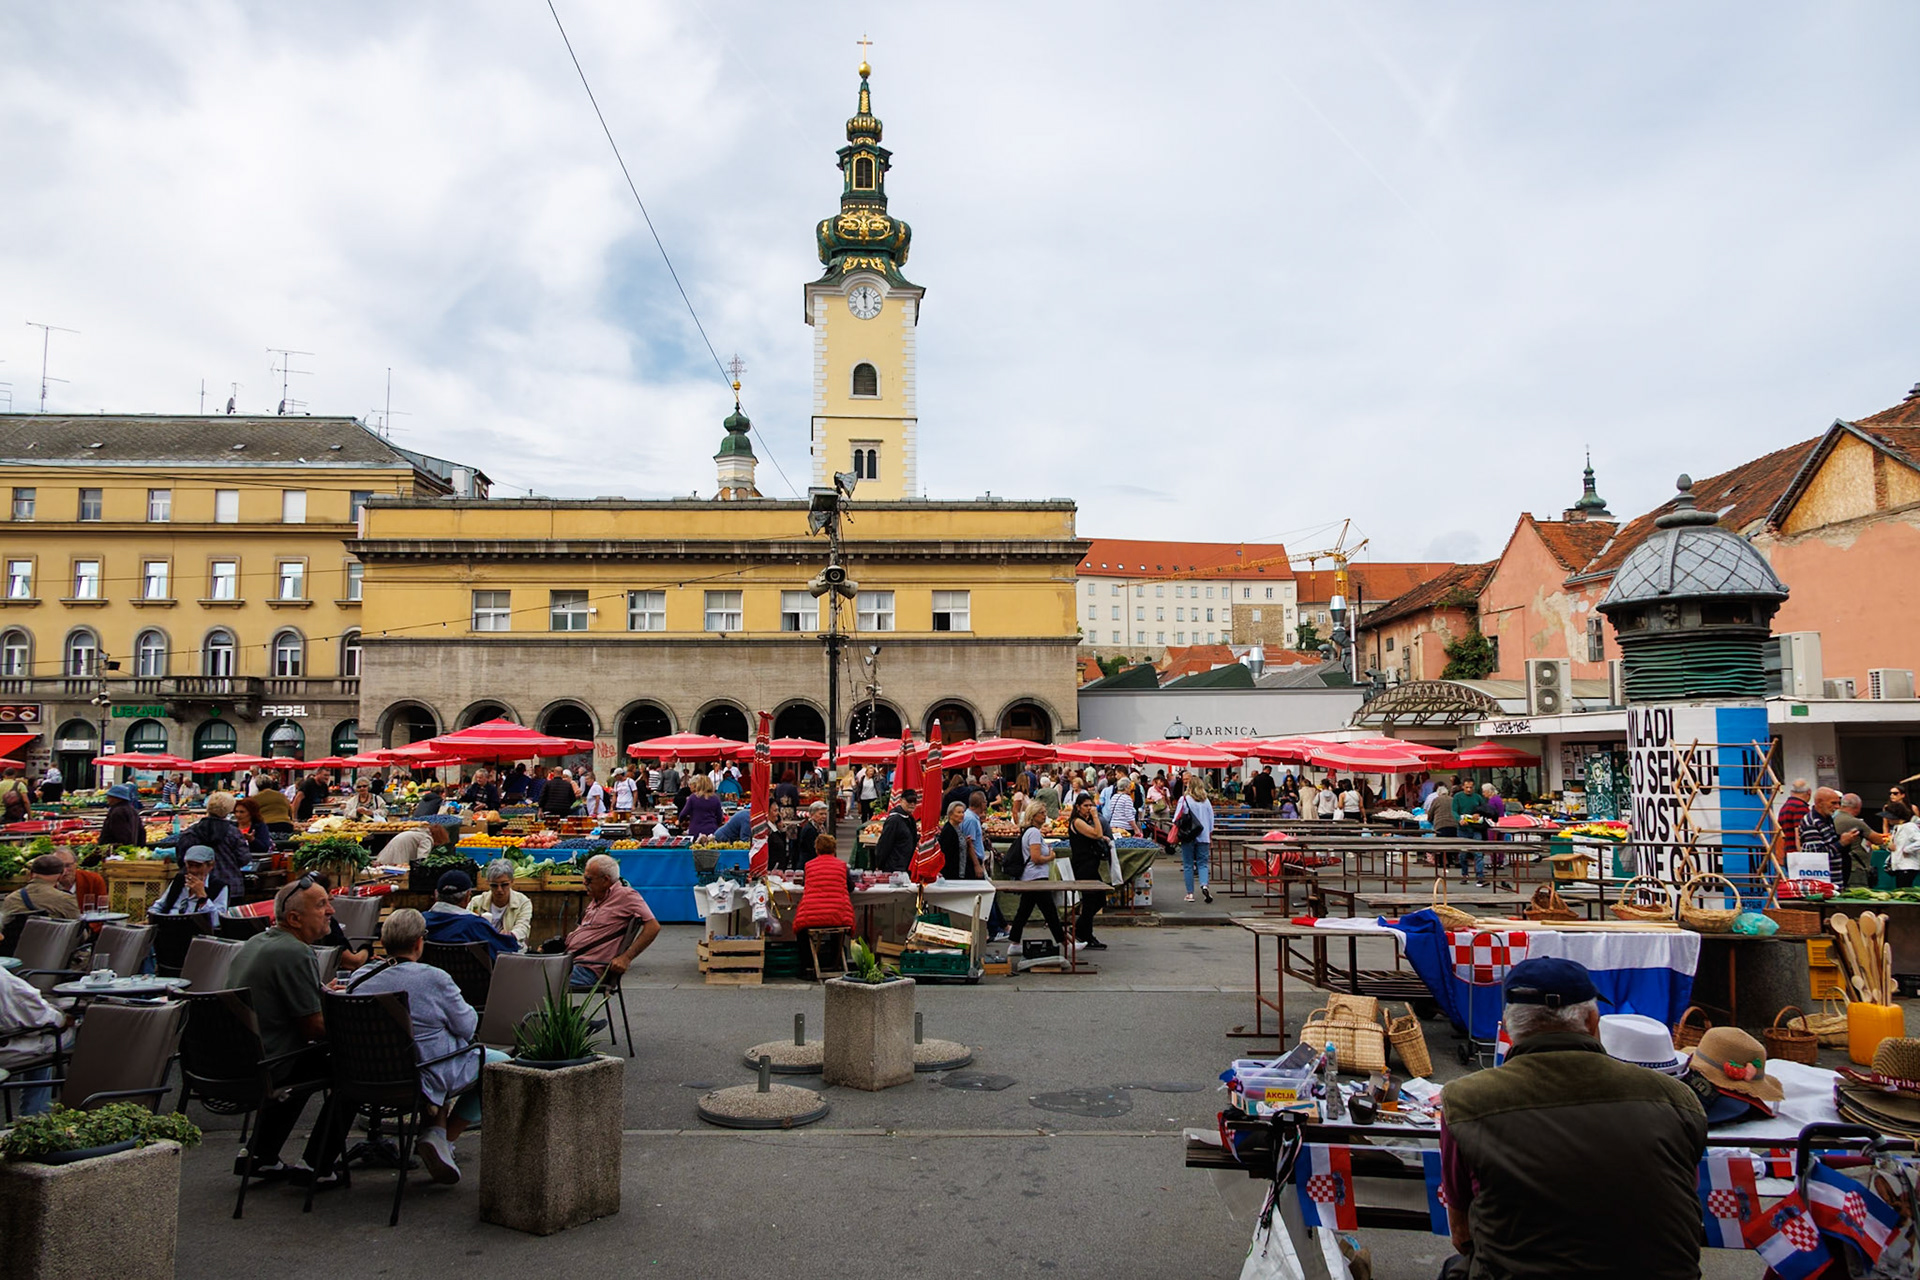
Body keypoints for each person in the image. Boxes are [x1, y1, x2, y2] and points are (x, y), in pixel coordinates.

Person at [1437, 957, 1705, 1279]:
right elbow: (1681, 1207)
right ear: (1593, 1022)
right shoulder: (1677, 1099)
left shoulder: (1464, 1101)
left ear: (1508, 1028)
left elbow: (1462, 1235)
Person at [345, 908, 505, 1185]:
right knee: (499, 1065)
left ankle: (438, 1134)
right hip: (426, 1073)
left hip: (368, 1076)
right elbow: (468, 1026)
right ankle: (444, 1138)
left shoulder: (360, 979)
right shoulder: (434, 978)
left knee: (439, 1046)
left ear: (384, 941)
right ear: (420, 942)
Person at [227, 877, 354, 1183]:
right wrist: (357, 1028)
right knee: (355, 1070)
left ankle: (260, 1154)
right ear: (295, 918)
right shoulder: (296, 953)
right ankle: (317, 1165)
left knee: (311, 1063)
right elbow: (313, 1026)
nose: (331, 911)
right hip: (271, 1063)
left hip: (239, 1060)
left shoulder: (258, 942)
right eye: (321, 904)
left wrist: (321, 992)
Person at [559, 853, 660, 991]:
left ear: (606, 880)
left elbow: (653, 926)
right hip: (572, 961)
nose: (584, 883)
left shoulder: (625, 896)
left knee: (534, 980)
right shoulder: (598, 898)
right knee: (527, 969)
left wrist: (626, 957)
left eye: (588, 880)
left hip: (588, 969)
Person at [0, 961, 73, 1114]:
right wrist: (63, 1019)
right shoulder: (3, 979)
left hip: (9, 1042)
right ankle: (35, 1115)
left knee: (39, 1037)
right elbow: (39, 1016)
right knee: (68, 1033)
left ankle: (34, 1114)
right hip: (6, 1052)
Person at [1006, 800, 1066, 950]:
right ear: (1033, 815)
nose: (1044, 816)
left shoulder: (1030, 832)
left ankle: (1014, 942)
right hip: (1036, 877)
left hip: (1032, 877)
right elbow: (1036, 858)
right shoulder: (1033, 833)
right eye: (1041, 813)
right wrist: (1050, 857)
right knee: (1050, 911)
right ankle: (1065, 943)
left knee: (1024, 911)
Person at [422, 870, 520, 960]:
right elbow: (508, 950)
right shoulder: (475, 925)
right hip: (472, 978)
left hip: (431, 977)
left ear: (436, 895)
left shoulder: (421, 921)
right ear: (467, 898)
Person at [176, 791, 253, 902]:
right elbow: (244, 859)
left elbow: (181, 859)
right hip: (230, 886)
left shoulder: (191, 832)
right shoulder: (233, 833)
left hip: (195, 886)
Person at [1066, 793, 1109, 950]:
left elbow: (1097, 835)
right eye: (1086, 806)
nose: (1089, 809)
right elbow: (1096, 833)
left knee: (1098, 900)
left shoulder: (1084, 821)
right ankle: (1084, 933)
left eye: (1091, 805)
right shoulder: (1077, 822)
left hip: (1091, 865)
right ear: (1078, 807)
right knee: (1091, 901)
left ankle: (1080, 930)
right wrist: (1096, 817)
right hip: (1083, 866)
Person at [1172, 775, 1216, 904]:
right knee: (1202, 863)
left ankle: (1190, 894)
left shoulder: (1184, 799)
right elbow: (1211, 820)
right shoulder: (1206, 801)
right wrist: (1209, 834)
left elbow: (1176, 818)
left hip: (1188, 835)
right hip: (1204, 836)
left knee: (1188, 865)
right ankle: (1204, 885)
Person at [149, 845, 228, 916]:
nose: (193, 870)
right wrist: (151, 917)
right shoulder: (180, 880)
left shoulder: (219, 887)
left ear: (210, 866)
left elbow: (217, 920)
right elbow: (160, 905)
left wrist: (202, 897)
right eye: (190, 865)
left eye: (198, 866)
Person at [0, 854, 79, 922]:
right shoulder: (65, 899)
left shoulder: (11, 899)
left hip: (17, 940)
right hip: (51, 939)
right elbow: (80, 934)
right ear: (61, 875)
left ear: (31, 874)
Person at [1834, 792, 1889, 887]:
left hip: (1839, 866)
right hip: (1855, 868)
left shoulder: (1833, 818)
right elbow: (1877, 840)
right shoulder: (1854, 822)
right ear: (1858, 807)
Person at [1801, 787, 1845, 885]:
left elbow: (1830, 843)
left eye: (1839, 803)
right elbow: (1817, 856)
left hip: (1834, 881)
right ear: (1820, 803)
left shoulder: (1827, 819)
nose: (1837, 807)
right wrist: (1842, 843)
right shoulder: (1811, 822)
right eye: (1833, 803)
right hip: (1822, 884)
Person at [377, 816, 459, 866]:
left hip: (385, 857)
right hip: (396, 862)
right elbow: (421, 859)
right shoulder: (426, 839)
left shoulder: (416, 832)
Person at [872, 789, 919, 874]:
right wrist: (879, 864)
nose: (912, 804)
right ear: (901, 801)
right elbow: (884, 845)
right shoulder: (894, 820)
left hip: (907, 867)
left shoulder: (910, 819)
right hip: (894, 868)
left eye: (914, 801)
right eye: (909, 801)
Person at [98, 782, 146, 847]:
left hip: (116, 851)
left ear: (116, 798)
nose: (107, 799)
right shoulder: (132, 809)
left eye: (109, 797)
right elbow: (142, 832)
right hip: (131, 849)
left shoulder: (117, 812)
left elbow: (121, 834)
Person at [1888, 801, 1920, 890]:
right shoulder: (1897, 828)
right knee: (1900, 889)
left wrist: (1907, 849)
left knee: (1903, 891)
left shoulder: (1910, 827)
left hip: (1908, 866)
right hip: (1899, 865)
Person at [1777, 778, 1811, 855]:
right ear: (1809, 792)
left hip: (1787, 851)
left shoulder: (1785, 807)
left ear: (1791, 792)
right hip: (1796, 854)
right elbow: (1798, 833)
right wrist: (1802, 853)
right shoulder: (1800, 807)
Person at [938, 801, 969, 881]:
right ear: (951, 814)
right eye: (958, 812)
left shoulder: (957, 828)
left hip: (960, 870)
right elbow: (946, 852)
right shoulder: (948, 831)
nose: (962, 815)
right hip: (951, 873)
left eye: (962, 812)